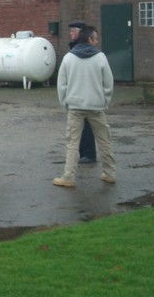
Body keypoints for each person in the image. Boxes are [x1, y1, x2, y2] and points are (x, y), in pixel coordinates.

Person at [54, 25, 116, 187]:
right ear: (89, 39)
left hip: (75, 106)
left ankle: (68, 177)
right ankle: (109, 173)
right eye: (95, 38)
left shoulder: (69, 58)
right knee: (104, 140)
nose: (97, 41)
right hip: (96, 106)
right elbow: (108, 83)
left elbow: (62, 85)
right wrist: (105, 101)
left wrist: (65, 104)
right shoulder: (101, 57)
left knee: (72, 142)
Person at [68, 21, 97, 164]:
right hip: (76, 94)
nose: (71, 34)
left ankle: (89, 154)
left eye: (73, 31)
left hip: (84, 95)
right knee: (79, 128)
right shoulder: (73, 48)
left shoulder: (85, 51)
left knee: (86, 127)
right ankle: (82, 152)